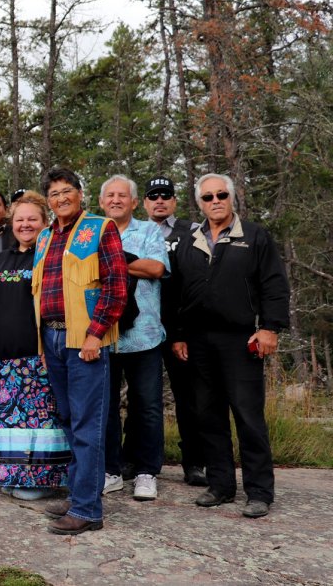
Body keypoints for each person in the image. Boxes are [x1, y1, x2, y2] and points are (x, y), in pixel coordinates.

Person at [169, 173, 289, 519]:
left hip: (240, 339)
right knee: (209, 415)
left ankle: (260, 491)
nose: (215, 201)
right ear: (199, 203)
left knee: (248, 416)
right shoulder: (190, 241)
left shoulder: (254, 237)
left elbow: (274, 284)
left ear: (233, 197)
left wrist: (269, 328)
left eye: (221, 194)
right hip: (198, 341)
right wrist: (178, 334)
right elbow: (177, 293)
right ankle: (221, 485)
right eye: (207, 197)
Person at [33, 168, 128, 535]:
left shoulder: (101, 229)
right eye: (54, 193)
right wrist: (42, 344)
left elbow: (116, 287)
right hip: (53, 340)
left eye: (67, 190)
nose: (61, 198)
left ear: (80, 193)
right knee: (71, 422)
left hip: (84, 340)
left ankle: (88, 509)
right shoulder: (44, 237)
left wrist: (95, 335)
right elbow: (40, 294)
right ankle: (79, 494)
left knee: (89, 424)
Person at [0, 191, 70, 501]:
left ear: (45, 222)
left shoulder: (51, 256)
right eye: (19, 219)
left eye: (32, 219)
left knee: (38, 419)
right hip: (3, 361)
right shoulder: (1, 258)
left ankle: (42, 481)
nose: (25, 224)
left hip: (38, 358)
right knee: (8, 419)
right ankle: (11, 476)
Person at [98, 175, 169, 502]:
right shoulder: (91, 233)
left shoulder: (150, 231)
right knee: (106, 407)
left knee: (148, 406)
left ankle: (145, 471)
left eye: (122, 196)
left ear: (134, 202)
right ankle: (111, 470)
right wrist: (129, 264)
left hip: (144, 335)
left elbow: (156, 268)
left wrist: (115, 262)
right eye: (110, 195)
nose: (115, 200)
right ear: (101, 202)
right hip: (103, 334)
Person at [143, 175, 207, 486]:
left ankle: (194, 461)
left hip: (179, 326)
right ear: (144, 202)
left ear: (174, 202)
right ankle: (135, 458)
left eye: (165, 195)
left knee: (188, 397)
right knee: (144, 398)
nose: (159, 200)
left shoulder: (192, 231)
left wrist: (184, 329)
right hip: (142, 323)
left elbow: (198, 280)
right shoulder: (134, 232)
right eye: (153, 195)